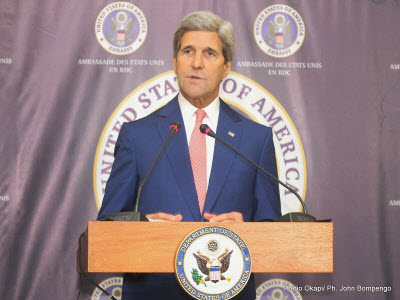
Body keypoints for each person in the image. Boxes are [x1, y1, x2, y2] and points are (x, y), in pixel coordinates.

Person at [98, 11, 281, 300]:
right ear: (174, 62)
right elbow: (106, 230)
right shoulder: (137, 135)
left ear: (226, 67)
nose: (196, 62)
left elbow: (274, 235)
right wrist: (141, 228)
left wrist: (247, 231)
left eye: (209, 53)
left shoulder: (255, 139)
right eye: (188, 51)